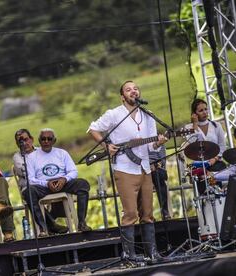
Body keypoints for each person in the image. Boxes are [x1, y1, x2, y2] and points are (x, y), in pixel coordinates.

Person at [88, 80, 168, 261]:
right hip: (124, 168)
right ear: (122, 96)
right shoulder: (114, 114)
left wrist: (159, 142)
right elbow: (92, 128)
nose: (133, 91)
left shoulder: (148, 116)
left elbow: (152, 148)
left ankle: (152, 253)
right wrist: (106, 145)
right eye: (128, 89)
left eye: (136, 89)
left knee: (147, 214)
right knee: (130, 213)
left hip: (145, 168)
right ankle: (129, 255)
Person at [24, 128, 92, 237]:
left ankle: (82, 223)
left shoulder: (62, 153)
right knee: (28, 192)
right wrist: (46, 183)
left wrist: (64, 179)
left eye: (49, 139)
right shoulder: (31, 157)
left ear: (54, 140)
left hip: (63, 183)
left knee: (83, 184)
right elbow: (30, 179)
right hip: (44, 186)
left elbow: (73, 171)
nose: (46, 141)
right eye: (43, 139)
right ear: (39, 140)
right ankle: (44, 228)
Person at [13, 128, 68, 234]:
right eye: (20, 141)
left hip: (49, 184)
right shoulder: (17, 157)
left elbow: (54, 166)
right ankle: (51, 225)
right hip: (31, 187)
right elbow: (27, 173)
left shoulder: (42, 150)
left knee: (64, 184)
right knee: (30, 192)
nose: (24, 143)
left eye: (25, 139)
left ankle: (52, 220)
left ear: (32, 139)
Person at [186, 98, 226, 170]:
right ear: (194, 113)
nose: (205, 112)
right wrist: (195, 124)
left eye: (205, 109)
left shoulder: (216, 125)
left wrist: (214, 159)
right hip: (199, 164)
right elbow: (193, 142)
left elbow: (222, 146)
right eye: (201, 110)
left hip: (216, 162)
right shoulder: (188, 127)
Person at [149, 145, 171, 220]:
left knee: (158, 176)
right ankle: (148, 215)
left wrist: (156, 165)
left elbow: (163, 160)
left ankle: (165, 212)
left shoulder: (160, 143)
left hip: (156, 168)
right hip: (142, 167)